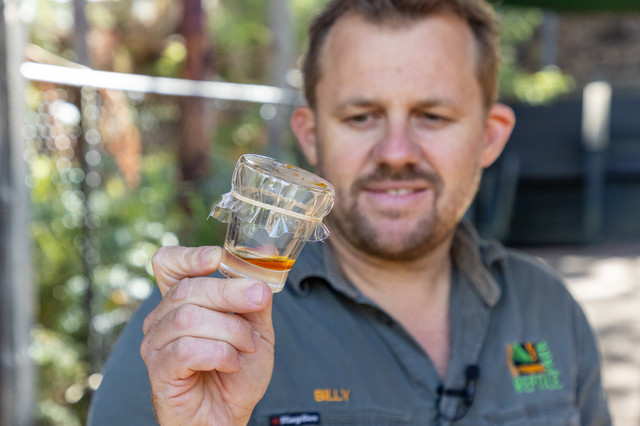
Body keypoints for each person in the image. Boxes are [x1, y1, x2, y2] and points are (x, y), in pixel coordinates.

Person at [88, 0, 612, 424]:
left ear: (489, 135)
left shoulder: (550, 311)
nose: (396, 151)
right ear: (311, 136)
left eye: (432, 115)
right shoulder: (197, 327)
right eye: (362, 116)